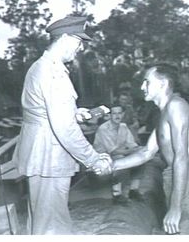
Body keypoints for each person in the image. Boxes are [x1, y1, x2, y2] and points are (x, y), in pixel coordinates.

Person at [12, 15, 112, 235]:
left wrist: (73, 113)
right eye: (78, 42)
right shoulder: (54, 73)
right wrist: (94, 159)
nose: (79, 49)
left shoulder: (40, 66)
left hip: (40, 152)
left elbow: (42, 112)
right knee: (52, 226)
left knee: (40, 219)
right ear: (65, 38)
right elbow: (64, 130)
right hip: (50, 155)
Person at [113, 64, 189, 235]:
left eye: (147, 82)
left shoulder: (176, 106)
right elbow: (146, 153)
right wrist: (110, 165)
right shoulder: (164, 113)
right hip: (179, 182)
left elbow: (181, 157)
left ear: (162, 84)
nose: (142, 87)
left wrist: (176, 208)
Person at [93, 104, 142, 204]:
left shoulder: (123, 126)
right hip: (102, 158)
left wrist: (138, 151)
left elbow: (132, 144)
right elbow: (113, 151)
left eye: (119, 113)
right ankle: (117, 194)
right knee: (119, 158)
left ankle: (133, 190)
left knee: (140, 156)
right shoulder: (103, 128)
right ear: (109, 115)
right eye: (114, 113)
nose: (117, 116)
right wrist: (128, 151)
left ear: (123, 114)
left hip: (118, 153)